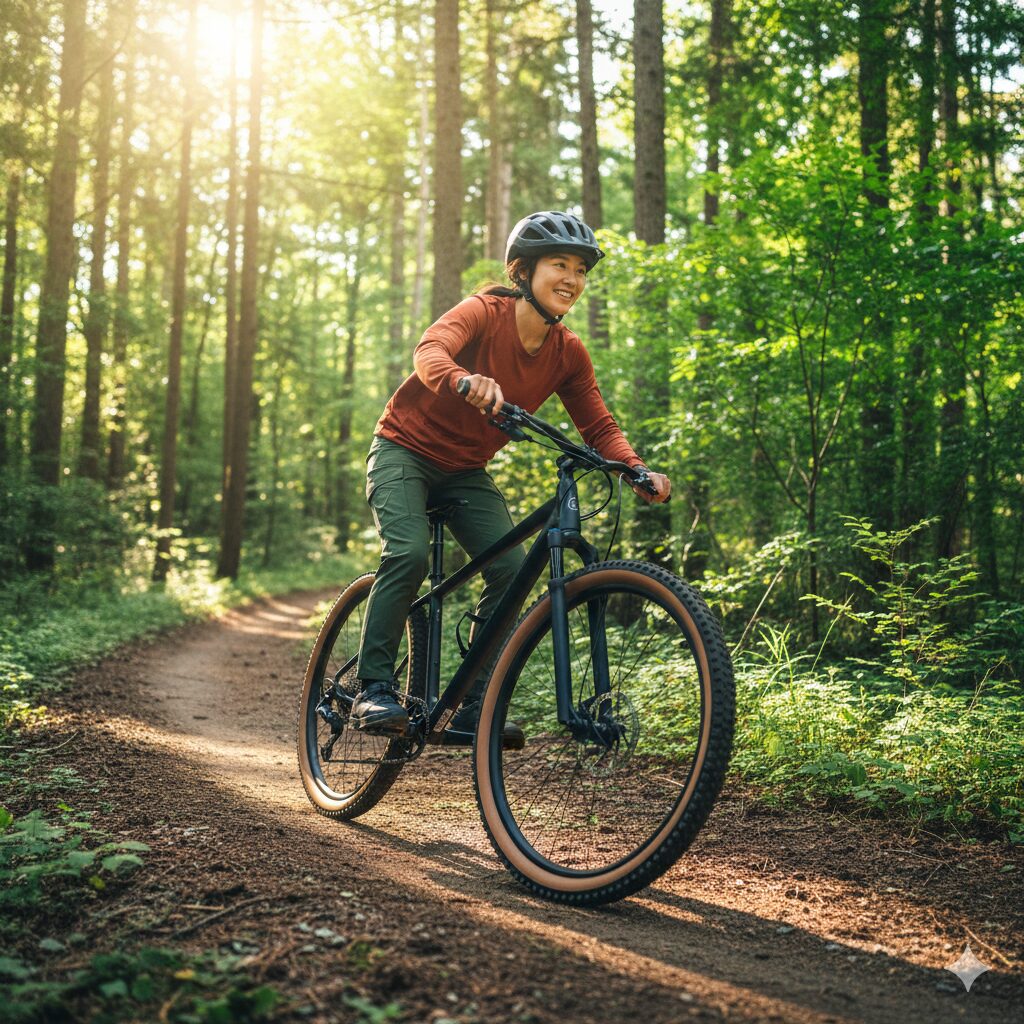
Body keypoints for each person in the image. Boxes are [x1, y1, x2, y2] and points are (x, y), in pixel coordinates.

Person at [351, 210, 671, 741]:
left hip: (464, 471)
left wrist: (635, 468)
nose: (572, 278)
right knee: (406, 553)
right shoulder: (484, 310)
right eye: (559, 264)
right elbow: (430, 351)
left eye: (581, 270)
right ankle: (373, 689)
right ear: (523, 271)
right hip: (402, 450)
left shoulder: (568, 353)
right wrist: (461, 379)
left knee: (510, 571)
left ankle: (475, 704)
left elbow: (598, 423)